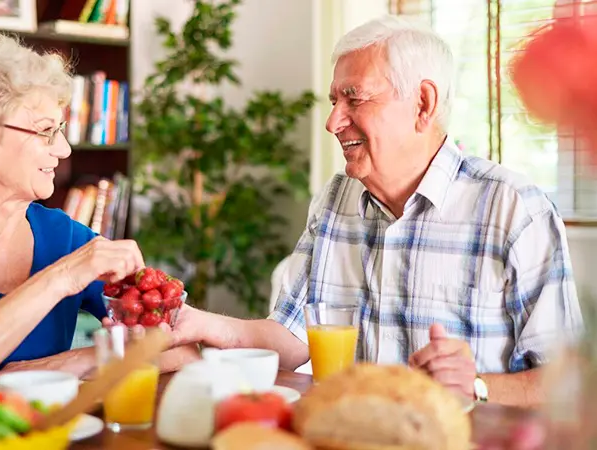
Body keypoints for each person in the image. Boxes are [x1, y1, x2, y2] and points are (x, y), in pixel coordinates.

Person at [168, 15, 584, 408]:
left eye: (354, 98)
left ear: (423, 103)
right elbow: (291, 337)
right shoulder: (335, 201)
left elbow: (568, 384)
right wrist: (197, 323)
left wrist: (476, 385)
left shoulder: (513, 209)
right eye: (334, 100)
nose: (332, 122)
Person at [0, 32, 197, 387]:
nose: (63, 149)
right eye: (46, 131)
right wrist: (61, 278)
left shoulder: (63, 236)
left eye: (59, 129)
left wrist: (71, 361)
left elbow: (180, 345)